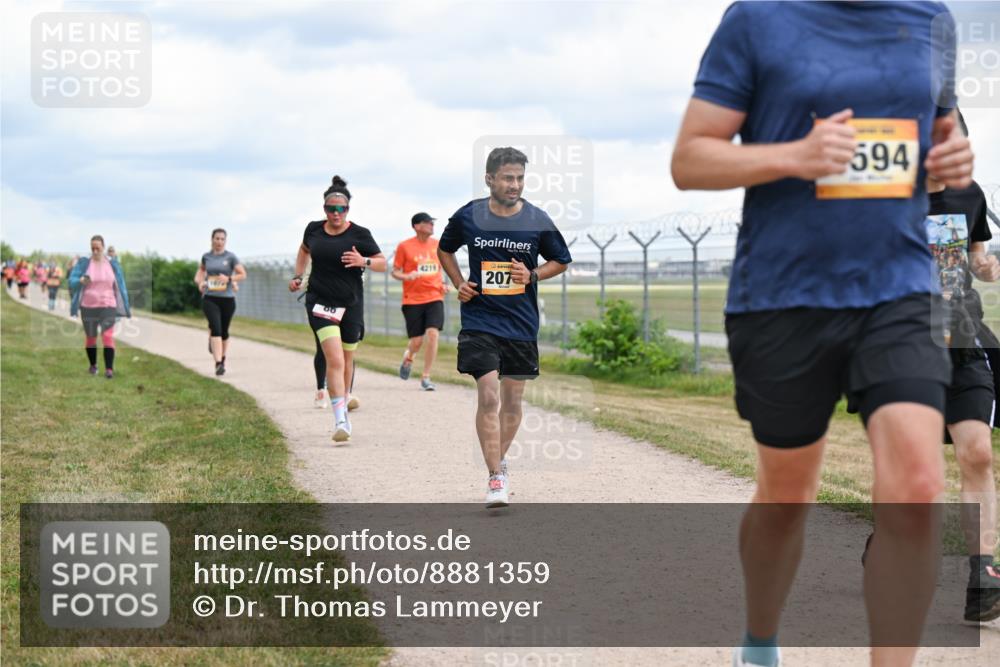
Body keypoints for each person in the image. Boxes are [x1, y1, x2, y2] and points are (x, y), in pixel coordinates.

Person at [671, 2, 973, 665]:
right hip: (783, 295)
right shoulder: (757, 18)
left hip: (901, 285)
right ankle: (759, 640)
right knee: (787, 496)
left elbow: (938, 135)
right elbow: (690, 160)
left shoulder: (932, 19)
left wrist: (949, 161)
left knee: (918, 486)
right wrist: (797, 155)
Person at [438, 147, 572, 508]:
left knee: (512, 401)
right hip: (480, 319)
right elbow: (444, 249)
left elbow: (561, 259)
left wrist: (532, 274)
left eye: (519, 178)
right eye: (508, 178)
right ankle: (496, 475)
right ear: (489, 179)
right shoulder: (469, 216)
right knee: (489, 395)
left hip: (521, 323)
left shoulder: (536, 219)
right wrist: (458, 282)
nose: (515, 185)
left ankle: (498, 461)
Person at [289, 175, 386, 442]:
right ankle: (341, 420)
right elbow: (303, 250)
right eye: (331, 208)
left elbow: (382, 263)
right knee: (335, 358)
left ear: (348, 210)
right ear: (324, 209)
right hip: (320, 301)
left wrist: (362, 260)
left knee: (347, 358)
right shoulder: (313, 230)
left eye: (341, 209)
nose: (335, 213)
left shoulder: (360, 234)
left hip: (352, 303)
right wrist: (298, 276)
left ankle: (344, 399)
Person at [393, 212, 449, 391]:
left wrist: (445, 284)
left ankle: (426, 376)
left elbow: (445, 267)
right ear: (417, 226)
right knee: (416, 341)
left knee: (433, 334)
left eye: (432, 222)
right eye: (427, 222)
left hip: (434, 296)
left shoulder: (438, 245)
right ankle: (409, 357)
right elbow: (395, 271)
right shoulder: (405, 246)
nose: (432, 225)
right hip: (412, 300)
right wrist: (407, 276)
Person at [69, 235, 131, 379]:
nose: (95, 251)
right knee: (91, 337)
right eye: (93, 248)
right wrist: (80, 280)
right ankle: (93, 365)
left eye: (98, 248)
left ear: (103, 247)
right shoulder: (84, 264)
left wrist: (125, 304)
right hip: (88, 306)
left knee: (107, 336)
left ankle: (109, 369)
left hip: (108, 305)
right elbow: (71, 281)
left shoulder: (113, 264)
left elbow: (121, 285)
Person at [194, 228, 246, 376]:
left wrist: (230, 279)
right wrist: (200, 283)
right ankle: (217, 363)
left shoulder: (231, 257)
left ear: (225, 241)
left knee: (224, 331)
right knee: (216, 328)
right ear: (212, 239)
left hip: (228, 299)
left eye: (222, 239)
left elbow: (242, 274)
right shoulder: (206, 257)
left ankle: (222, 359)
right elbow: (200, 272)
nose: (219, 242)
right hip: (210, 298)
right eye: (217, 238)